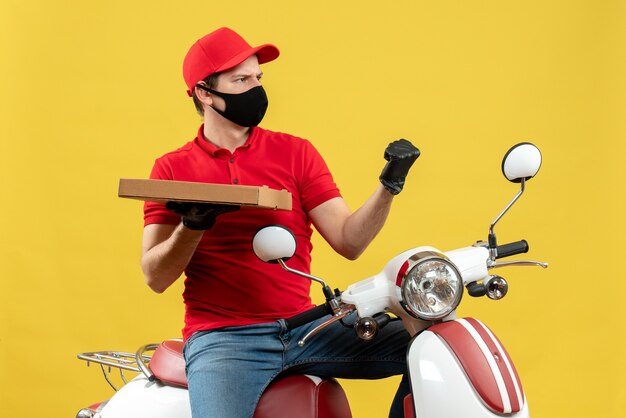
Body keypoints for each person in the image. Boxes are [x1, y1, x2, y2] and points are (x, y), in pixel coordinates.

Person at [141, 27, 420, 418]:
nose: (256, 89)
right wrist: (192, 226)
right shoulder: (171, 169)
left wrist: (388, 186)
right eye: (241, 80)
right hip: (224, 339)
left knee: (431, 347)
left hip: (307, 328)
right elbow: (155, 276)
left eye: (258, 78)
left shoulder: (295, 153)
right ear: (205, 93)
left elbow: (348, 241)